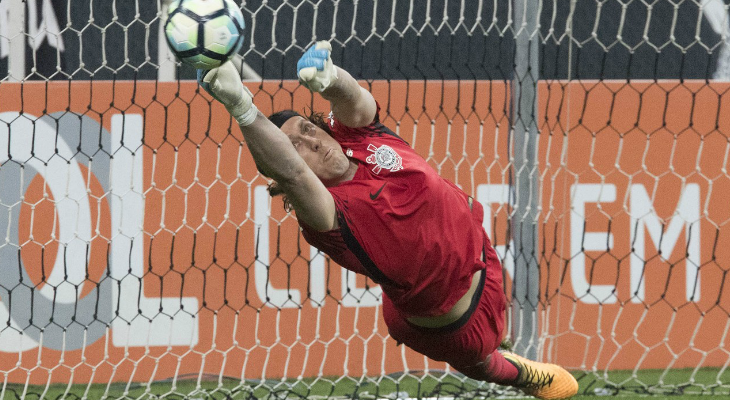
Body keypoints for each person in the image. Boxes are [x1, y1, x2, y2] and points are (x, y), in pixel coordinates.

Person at [198, 41, 579, 400]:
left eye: (308, 129)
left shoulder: (358, 137)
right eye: (295, 146)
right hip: (457, 326)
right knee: (485, 364)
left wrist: (330, 78)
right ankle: (522, 374)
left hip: (481, 252)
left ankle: (503, 352)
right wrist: (242, 108)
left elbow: (355, 101)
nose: (311, 143)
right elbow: (293, 175)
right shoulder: (326, 214)